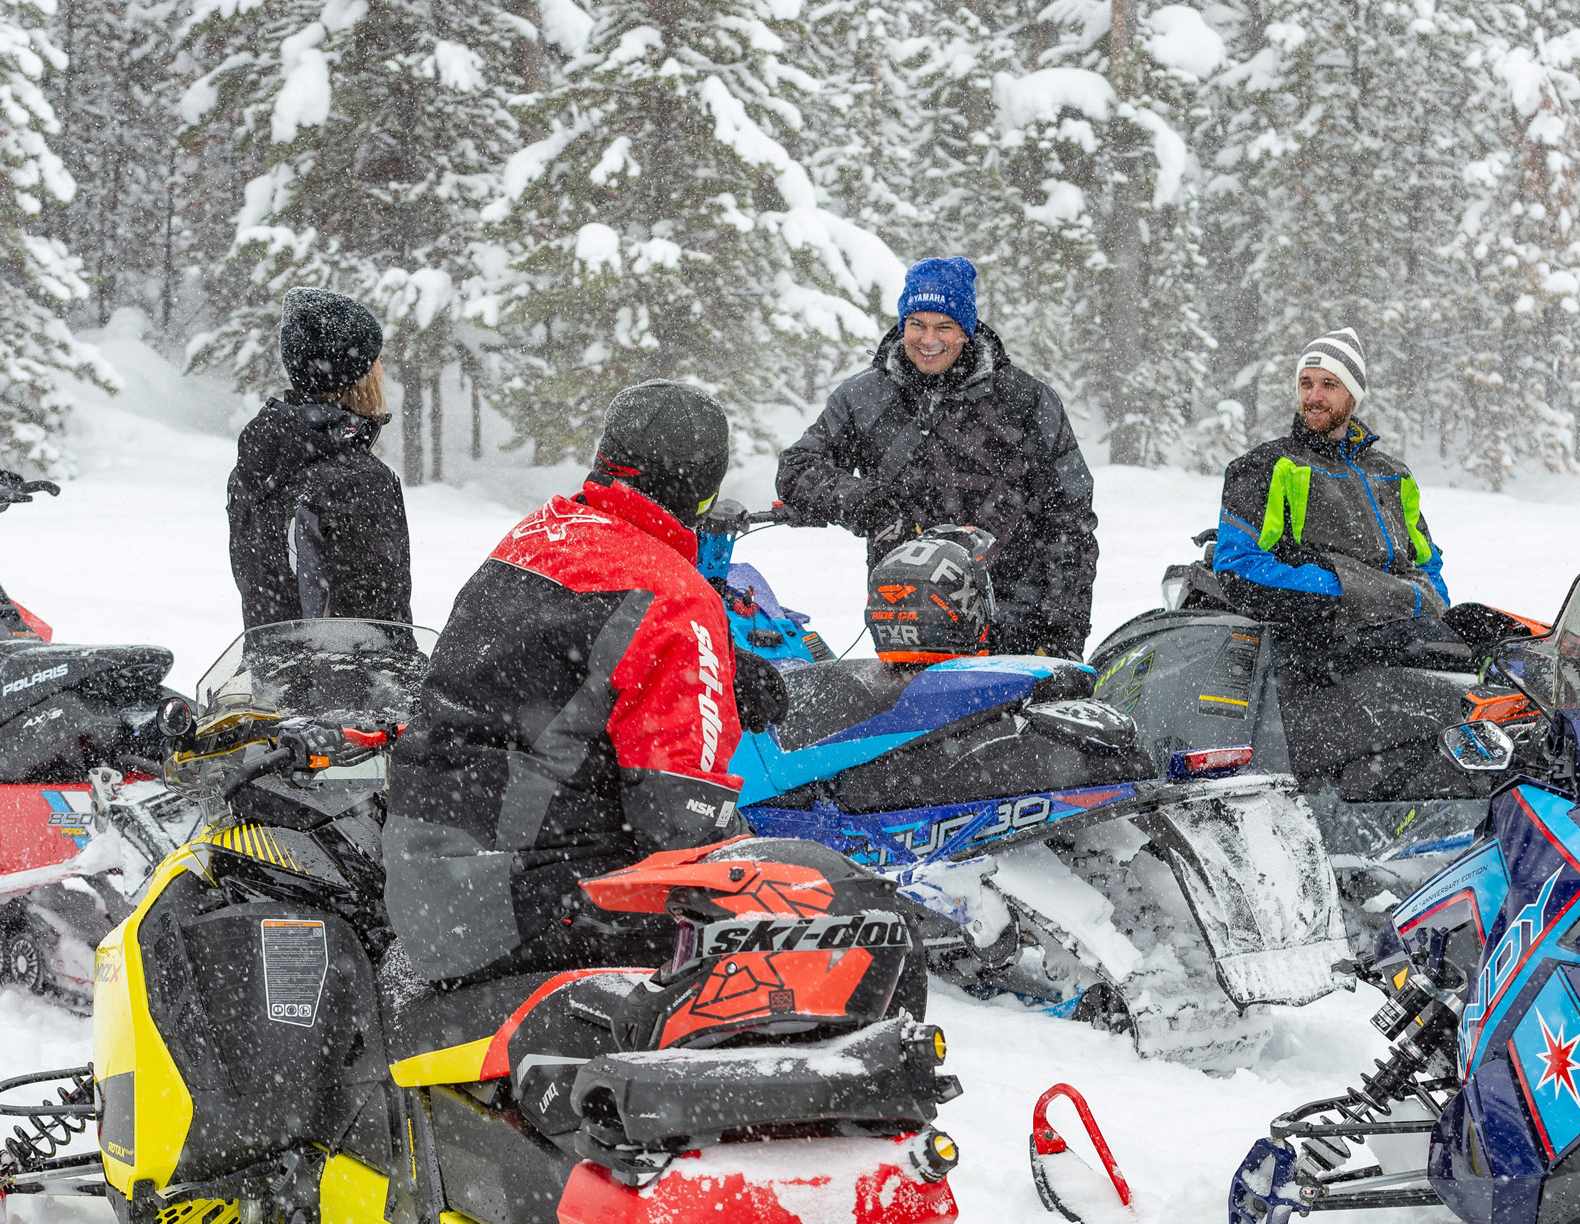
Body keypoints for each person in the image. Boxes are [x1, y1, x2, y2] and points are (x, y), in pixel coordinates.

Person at [383, 381, 787, 985]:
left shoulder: (535, 535)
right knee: (784, 925)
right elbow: (682, 824)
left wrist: (719, 668)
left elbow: (561, 659)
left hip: (423, 878)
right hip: (519, 904)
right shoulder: (677, 598)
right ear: (705, 491)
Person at [775, 256, 1099, 659]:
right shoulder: (863, 398)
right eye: (917, 325)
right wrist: (867, 504)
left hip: (1016, 634)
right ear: (902, 326)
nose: (929, 340)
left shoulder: (1027, 401)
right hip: (907, 628)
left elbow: (1071, 524)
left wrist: (1062, 638)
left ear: (967, 330)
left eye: (944, 326)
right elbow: (797, 469)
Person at [1212, 328, 1450, 642]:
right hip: (1319, 647)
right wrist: (1351, 593)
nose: (1313, 397)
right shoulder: (1267, 466)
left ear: (1353, 394)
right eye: (1305, 384)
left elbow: (1428, 566)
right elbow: (1238, 566)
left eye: (1329, 384)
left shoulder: (1392, 474)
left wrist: (1423, 603)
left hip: (1403, 634)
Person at [227, 287, 412, 631]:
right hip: (341, 682)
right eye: (376, 361)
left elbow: (267, 604)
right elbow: (376, 632)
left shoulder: (259, 466)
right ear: (355, 375)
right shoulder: (359, 480)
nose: (382, 373)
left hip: (274, 679)